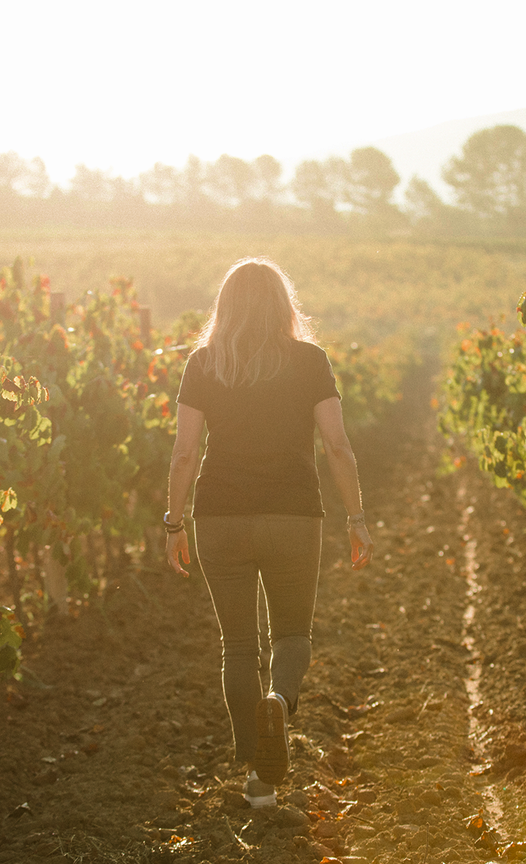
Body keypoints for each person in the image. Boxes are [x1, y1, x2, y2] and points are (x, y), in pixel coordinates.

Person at [164, 257, 373, 809]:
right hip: (293, 516)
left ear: (224, 307)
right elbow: (336, 446)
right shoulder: (310, 361)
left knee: (238, 646)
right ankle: (279, 700)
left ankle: (258, 778)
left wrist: (173, 521)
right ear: (284, 305)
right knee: (292, 638)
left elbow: (185, 452)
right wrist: (356, 517)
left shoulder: (202, 364)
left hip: (218, 516)